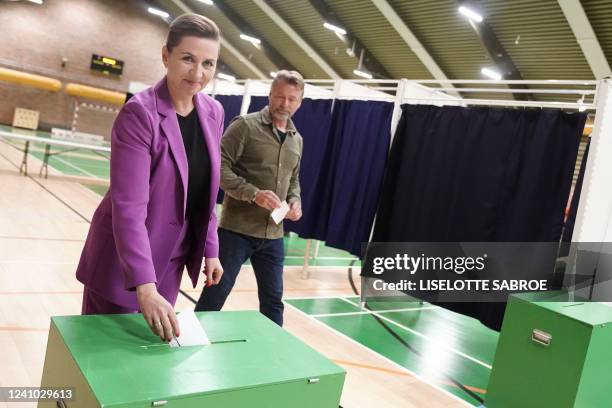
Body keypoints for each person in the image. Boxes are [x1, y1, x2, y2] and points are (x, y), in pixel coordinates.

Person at [76, 13, 224, 342]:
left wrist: (210, 248)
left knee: (146, 369)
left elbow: (205, 190)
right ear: (165, 56)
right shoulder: (139, 114)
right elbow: (128, 207)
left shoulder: (214, 113)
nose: (198, 73)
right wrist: (144, 285)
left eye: (209, 64)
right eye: (188, 59)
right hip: (122, 264)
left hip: (169, 263)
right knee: (101, 366)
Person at [195, 70, 305, 326]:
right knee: (215, 293)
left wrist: (295, 200)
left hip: (274, 236)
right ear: (269, 95)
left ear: (299, 102)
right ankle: (187, 342)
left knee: (274, 300)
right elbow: (218, 167)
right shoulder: (245, 125)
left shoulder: (296, 140)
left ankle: (273, 354)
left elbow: (294, 180)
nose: (284, 104)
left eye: (291, 99)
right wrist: (253, 194)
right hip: (236, 232)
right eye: (279, 97)